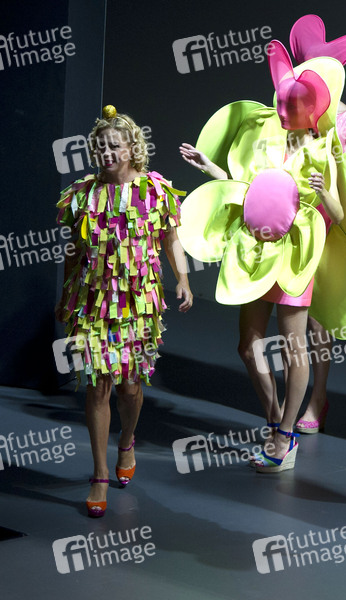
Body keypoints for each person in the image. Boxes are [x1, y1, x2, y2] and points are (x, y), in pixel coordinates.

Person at [179, 42, 346, 472]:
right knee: (248, 344)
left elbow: (339, 213)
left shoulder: (323, 148)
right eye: (282, 103)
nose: (283, 110)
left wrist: (324, 191)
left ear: (310, 108)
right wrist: (209, 167)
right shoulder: (265, 141)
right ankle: (275, 420)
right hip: (253, 252)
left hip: (295, 257)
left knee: (294, 349)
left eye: (292, 104)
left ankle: (286, 434)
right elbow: (246, 188)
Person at [56, 105, 193, 517]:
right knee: (97, 385)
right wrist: (65, 296)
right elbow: (74, 250)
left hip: (137, 303)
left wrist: (183, 279)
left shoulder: (155, 191)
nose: (106, 154)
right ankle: (100, 474)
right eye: (100, 147)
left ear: (132, 148)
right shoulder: (83, 194)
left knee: (130, 388)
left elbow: (171, 240)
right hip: (92, 302)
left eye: (114, 146)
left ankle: (127, 440)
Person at [287, 14, 346, 433]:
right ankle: (290, 400)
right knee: (290, 316)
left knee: (319, 320)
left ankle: (317, 397)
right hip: (291, 222)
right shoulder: (290, 111)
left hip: (330, 225)